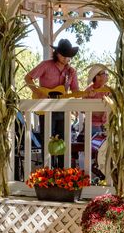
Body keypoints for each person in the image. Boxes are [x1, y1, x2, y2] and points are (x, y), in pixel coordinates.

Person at [25, 38, 79, 167]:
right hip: (46, 109)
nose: (67, 58)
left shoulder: (71, 72)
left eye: (69, 56)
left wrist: (85, 95)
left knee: (63, 141)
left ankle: (62, 171)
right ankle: (48, 170)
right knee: (47, 140)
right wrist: (37, 92)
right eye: (65, 55)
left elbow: (75, 90)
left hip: (63, 110)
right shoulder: (46, 65)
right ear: (58, 53)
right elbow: (28, 77)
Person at [79, 64, 110, 138]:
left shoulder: (107, 90)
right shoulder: (88, 91)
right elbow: (82, 109)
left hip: (105, 125)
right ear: (97, 77)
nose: (107, 75)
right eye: (104, 73)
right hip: (93, 125)